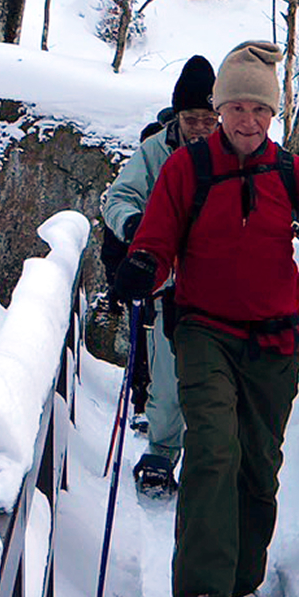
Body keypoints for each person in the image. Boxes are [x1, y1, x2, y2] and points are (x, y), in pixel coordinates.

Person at [112, 39, 299, 597]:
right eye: (237, 108)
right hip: (203, 332)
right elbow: (158, 238)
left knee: (258, 465)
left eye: (260, 109)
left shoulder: (292, 174)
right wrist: (144, 265)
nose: (248, 120)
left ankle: (241, 589)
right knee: (213, 451)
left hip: (276, 342)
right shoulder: (186, 167)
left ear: (272, 115)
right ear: (219, 109)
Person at [99, 55, 217, 497]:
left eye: (208, 118)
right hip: (169, 283)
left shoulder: (234, 148)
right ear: (178, 116)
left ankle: (209, 464)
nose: (200, 128)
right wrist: (133, 227)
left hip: (222, 284)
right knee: (167, 379)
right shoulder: (156, 150)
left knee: (214, 384)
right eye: (192, 118)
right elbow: (119, 196)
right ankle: (163, 452)